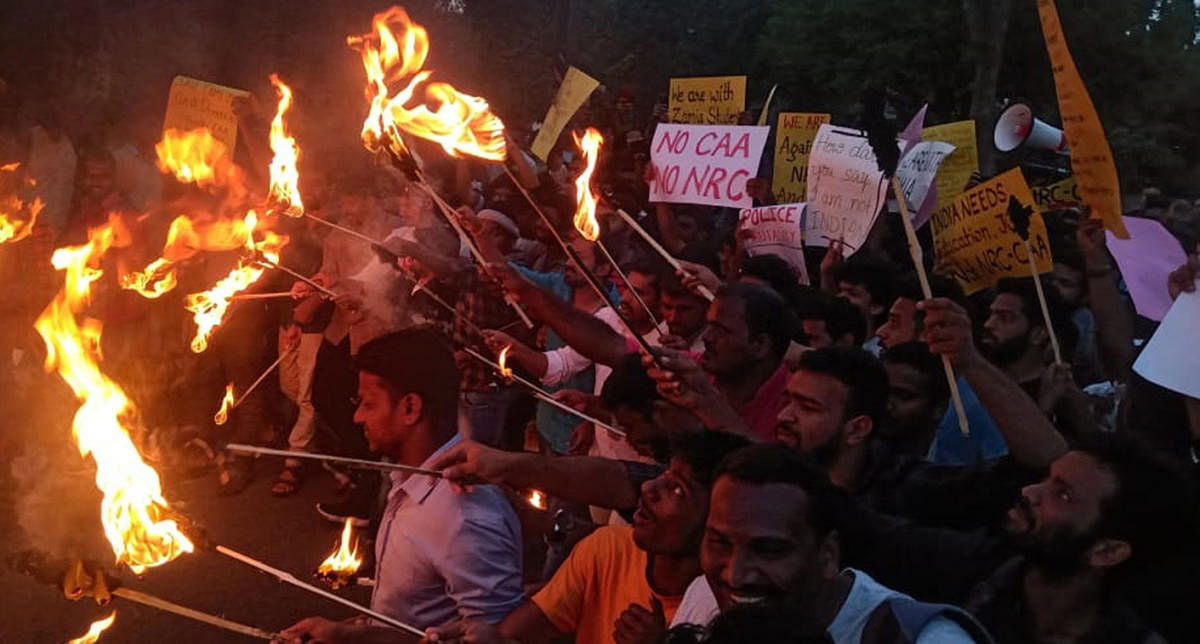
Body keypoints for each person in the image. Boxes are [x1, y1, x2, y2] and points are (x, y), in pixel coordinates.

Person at [278, 330, 524, 643]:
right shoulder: (407, 479)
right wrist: (354, 632)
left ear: (410, 408)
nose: (356, 416)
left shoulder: (464, 517)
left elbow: (496, 635)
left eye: (367, 403)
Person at [427, 431, 751, 644]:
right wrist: (486, 639)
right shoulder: (608, 549)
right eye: (663, 475)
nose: (649, 489)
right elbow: (517, 635)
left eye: (677, 489)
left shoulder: (724, 618)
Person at [671, 443, 988, 643]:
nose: (736, 575)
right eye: (720, 543)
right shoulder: (707, 597)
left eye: (768, 550)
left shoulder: (924, 638)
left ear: (827, 554)